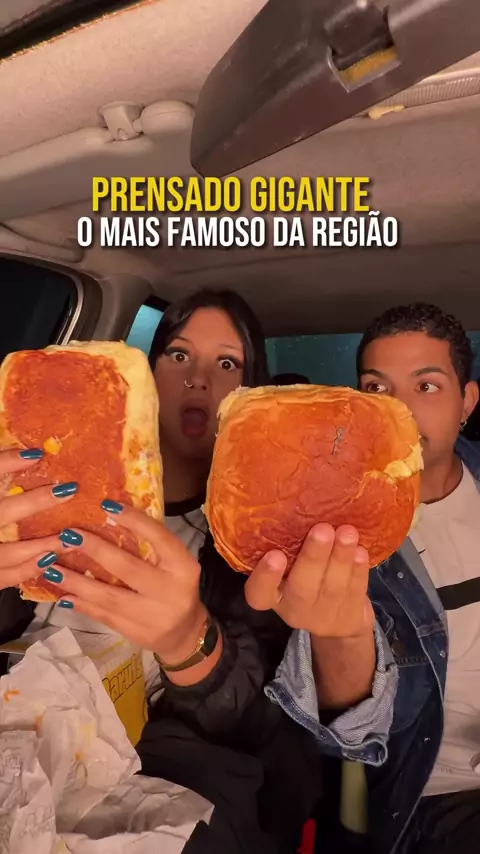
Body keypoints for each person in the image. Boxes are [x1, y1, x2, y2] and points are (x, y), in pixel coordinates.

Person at [0, 288, 335, 851]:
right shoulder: (50, 484)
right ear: (149, 372)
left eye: (226, 363)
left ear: (248, 392)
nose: (198, 378)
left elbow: (272, 726)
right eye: (179, 355)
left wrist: (189, 643)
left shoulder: (263, 533)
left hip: (158, 778)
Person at [247, 303, 480, 854]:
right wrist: (337, 637)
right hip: (433, 794)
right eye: (377, 389)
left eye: (426, 386)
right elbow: (349, 733)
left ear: (467, 402)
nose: (397, 412)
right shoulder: (336, 527)